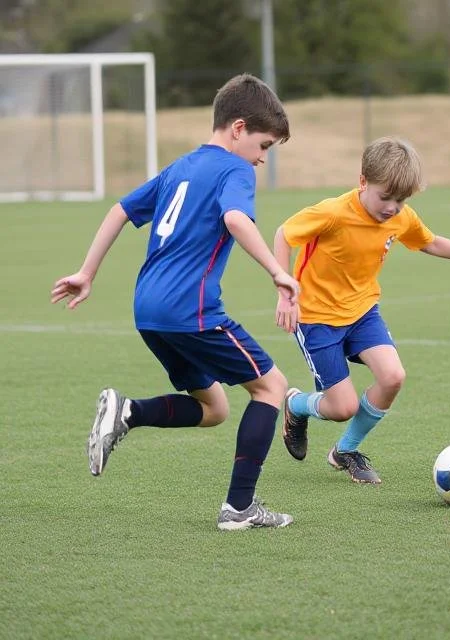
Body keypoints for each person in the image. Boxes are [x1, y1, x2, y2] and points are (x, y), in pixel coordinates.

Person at [51, 73, 300, 530]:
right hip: (192, 310)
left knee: (215, 410)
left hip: (149, 311)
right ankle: (239, 508)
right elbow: (235, 218)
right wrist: (278, 272)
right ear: (239, 128)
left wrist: (87, 272)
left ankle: (128, 411)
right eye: (264, 146)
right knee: (271, 388)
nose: (263, 159)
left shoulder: (180, 167)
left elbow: (120, 210)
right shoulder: (235, 169)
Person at [274, 136, 450, 484]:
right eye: (385, 197)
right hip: (317, 317)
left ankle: (345, 451)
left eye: (401, 200)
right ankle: (297, 406)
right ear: (362, 182)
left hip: (362, 312)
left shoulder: (400, 217)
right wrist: (286, 291)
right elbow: (284, 234)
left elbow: (430, 241)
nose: (392, 207)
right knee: (341, 408)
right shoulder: (333, 212)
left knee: (393, 377)